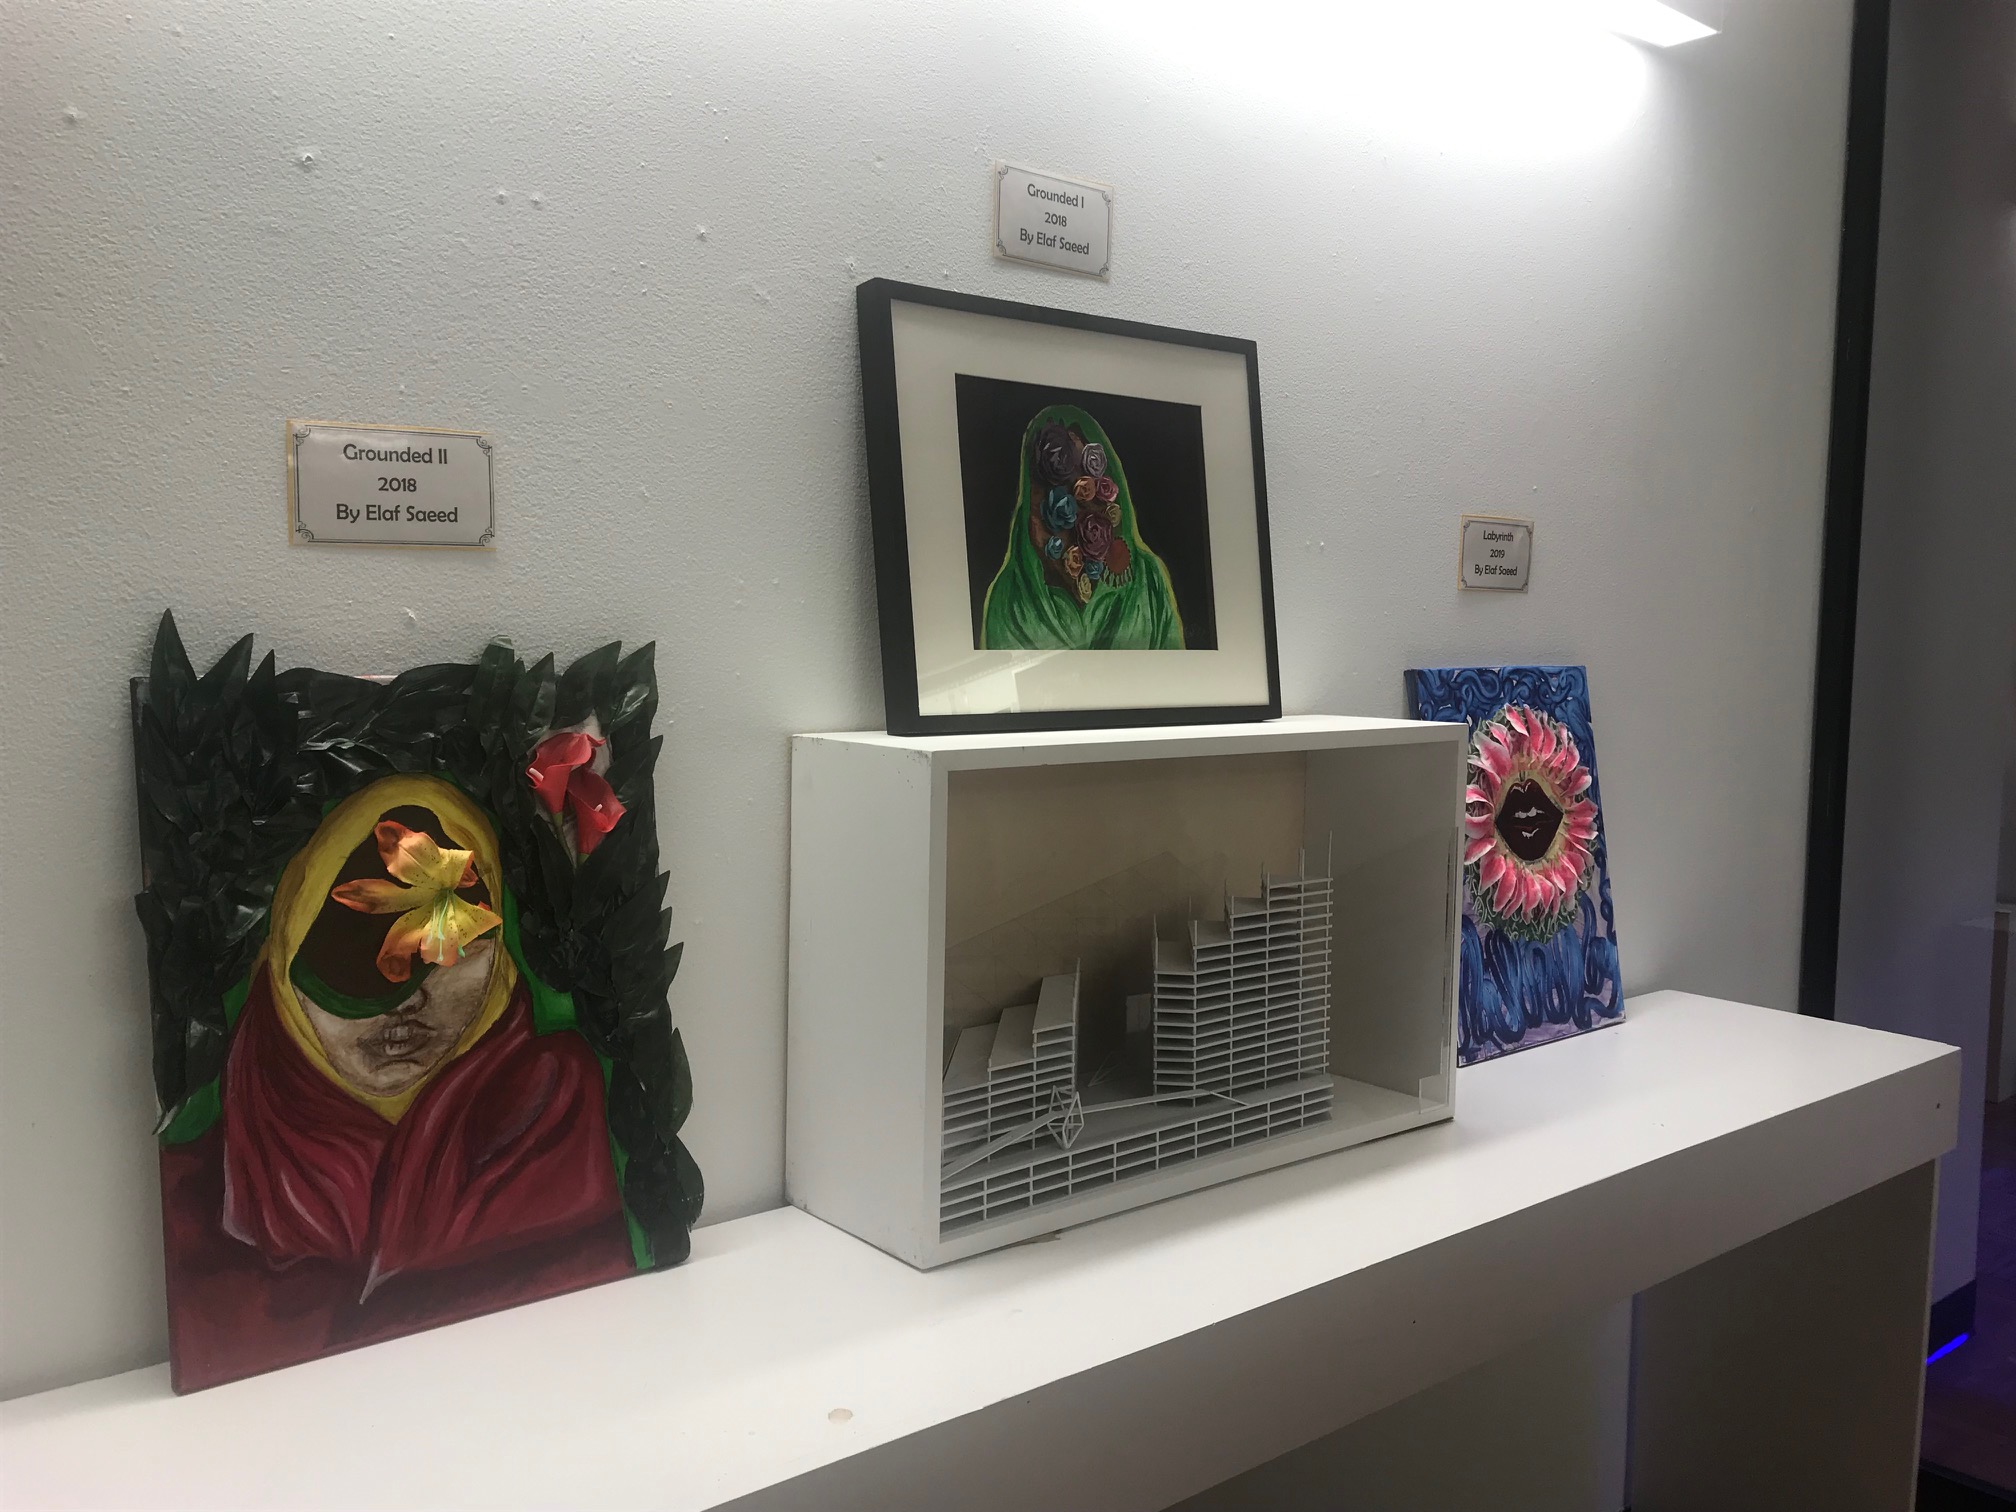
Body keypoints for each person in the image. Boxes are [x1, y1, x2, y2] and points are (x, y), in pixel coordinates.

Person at [157, 774, 633, 1392]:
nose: (406, 1002)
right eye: (349, 963)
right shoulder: (204, 1191)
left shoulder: (562, 1114)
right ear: (282, 964)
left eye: (450, 948)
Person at [979, 404, 1187, 651]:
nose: (1073, 526)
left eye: (1084, 499)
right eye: (1049, 509)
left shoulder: (1148, 579)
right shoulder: (1011, 599)